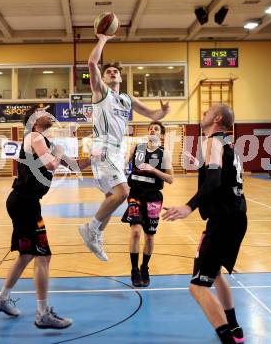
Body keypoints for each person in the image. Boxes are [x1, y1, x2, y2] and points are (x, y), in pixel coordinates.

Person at [78, 33, 170, 261]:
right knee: (123, 192)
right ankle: (91, 229)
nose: (112, 73)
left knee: (112, 195)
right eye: (108, 71)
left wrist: (164, 113)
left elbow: (152, 114)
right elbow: (91, 63)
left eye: (115, 71)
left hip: (117, 151)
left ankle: (96, 234)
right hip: (104, 146)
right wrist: (102, 39)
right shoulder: (101, 92)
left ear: (120, 78)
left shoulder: (127, 99)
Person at [163, 104, 247, 344]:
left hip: (223, 222)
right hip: (236, 217)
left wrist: (187, 207)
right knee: (216, 273)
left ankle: (227, 339)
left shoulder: (213, 143)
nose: (203, 113)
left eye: (208, 110)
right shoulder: (228, 144)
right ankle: (235, 329)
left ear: (217, 118)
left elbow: (213, 183)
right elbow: (222, 179)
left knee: (197, 287)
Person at [0, 105, 73, 329]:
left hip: (24, 202)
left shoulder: (46, 142)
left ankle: (2, 299)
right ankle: (42, 313)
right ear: (35, 121)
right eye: (43, 111)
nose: (49, 112)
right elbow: (52, 164)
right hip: (24, 203)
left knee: (27, 255)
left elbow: (72, 164)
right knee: (43, 257)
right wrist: (59, 152)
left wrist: (98, 160)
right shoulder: (35, 136)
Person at [121, 121, 173, 287]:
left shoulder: (164, 154)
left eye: (156, 129)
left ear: (161, 135)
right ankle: (134, 270)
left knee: (149, 236)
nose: (152, 130)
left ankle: (145, 267)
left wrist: (153, 170)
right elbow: (122, 165)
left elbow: (170, 179)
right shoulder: (137, 148)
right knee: (135, 231)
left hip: (153, 196)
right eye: (150, 128)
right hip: (135, 193)